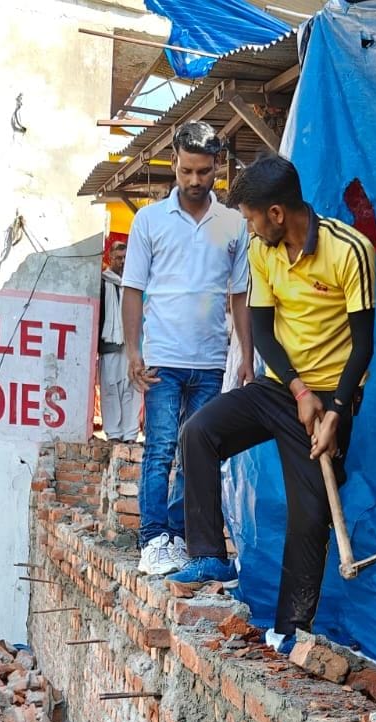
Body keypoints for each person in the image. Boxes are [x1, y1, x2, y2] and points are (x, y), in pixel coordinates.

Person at [172, 154, 376, 652]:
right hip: (282, 386)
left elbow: (364, 342)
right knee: (199, 432)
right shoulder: (262, 250)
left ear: (278, 214)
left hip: (334, 394)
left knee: (310, 514)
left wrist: (332, 410)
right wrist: (298, 390)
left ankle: (291, 630)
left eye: (250, 216)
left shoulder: (351, 250)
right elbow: (262, 330)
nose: (247, 225)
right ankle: (209, 553)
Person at [122, 121, 253, 578]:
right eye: (185, 172)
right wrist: (133, 352)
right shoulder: (149, 221)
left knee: (199, 454)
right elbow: (133, 289)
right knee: (159, 449)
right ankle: (154, 539)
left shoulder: (234, 223)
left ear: (218, 167)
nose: (194, 181)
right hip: (162, 358)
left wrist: (245, 357)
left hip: (212, 361)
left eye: (203, 172)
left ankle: (184, 539)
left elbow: (240, 297)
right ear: (173, 164)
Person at [97, 240, 141, 442]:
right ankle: (113, 433)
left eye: (125, 258)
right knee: (110, 388)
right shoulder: (103, 282)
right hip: (110, 343)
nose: (122, 262)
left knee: (132, 387)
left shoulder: (135, 282)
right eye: (118, 258)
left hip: (133, 343)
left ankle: (130, 433)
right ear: (109, 259)